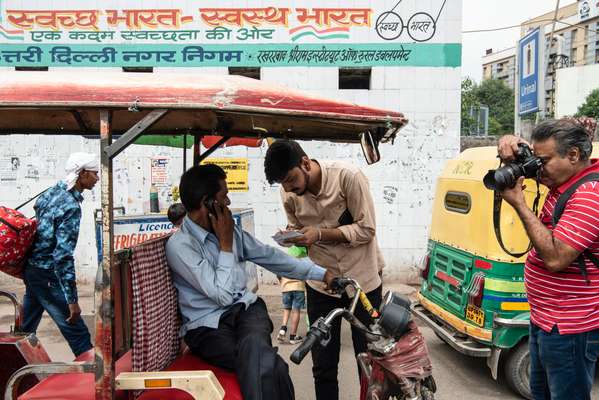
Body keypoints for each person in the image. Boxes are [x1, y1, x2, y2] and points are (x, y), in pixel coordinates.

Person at [165, 164, 333, 400]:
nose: (229, 202)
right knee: (272, 367)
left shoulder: (230, 231)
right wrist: (225, 245)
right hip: (206, 326)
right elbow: (221, 295)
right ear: (208, 203)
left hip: (246, 310)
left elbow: (270, 257)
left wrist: (320, 273)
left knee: (257, 352)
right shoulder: (181, 246)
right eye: (224, 196)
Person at [264, 139, 385, 400]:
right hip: (321, 285)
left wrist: (319, 234)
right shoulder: (289, 194)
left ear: (305, 163)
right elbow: (296, 226)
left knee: (370, 363)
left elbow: (367, 229)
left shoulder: (348, 177)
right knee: (323, 366)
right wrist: (294, 236)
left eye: (290, 179)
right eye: (282, 184)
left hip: (362, 282)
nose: (288, 188)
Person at [497, 119, 599, 400]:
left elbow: (555, 258)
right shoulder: (565, 181)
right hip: (546, 320)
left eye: (543, 160)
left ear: (574, 155)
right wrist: (510, 141)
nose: (537, 169)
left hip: (571, 328)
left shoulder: (590, 195)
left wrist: (518, 202)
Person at [23, 152, 98, 357]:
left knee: (25, 330)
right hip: (48, 274)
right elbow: (63, 255)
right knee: (78, 333)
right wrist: (72, 300)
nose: (97, 178)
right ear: (82, 174)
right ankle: (97, 381)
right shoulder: (71, 207)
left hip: (33, 269)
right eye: (94, 174)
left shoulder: (52, 192)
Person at [277, 246, 308, 345]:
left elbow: (278, 273)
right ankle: (293, 336)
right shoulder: (303, 256)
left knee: (287, 309)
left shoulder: (286, 256)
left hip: (286, 287)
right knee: (296, 311)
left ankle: (283, 328)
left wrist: (282, 282)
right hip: (298, 287)